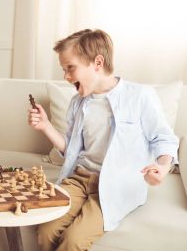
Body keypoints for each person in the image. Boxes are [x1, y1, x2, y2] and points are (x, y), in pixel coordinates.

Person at [28, 29, 179, 251]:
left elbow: (164, 139)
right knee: (45, 229)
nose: (66, 76)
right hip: (79, 179)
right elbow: (70, 149)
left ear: (97, 63)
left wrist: (162, 167)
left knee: (74, 240)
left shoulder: (140, 96)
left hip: (116, 186)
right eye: (63, 69)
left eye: (71, 67)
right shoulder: (77, 103)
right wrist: (46, 126)